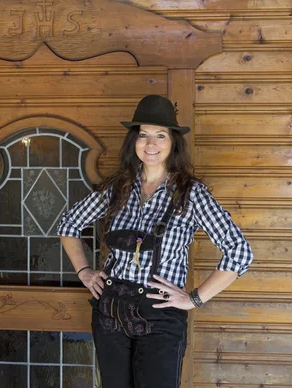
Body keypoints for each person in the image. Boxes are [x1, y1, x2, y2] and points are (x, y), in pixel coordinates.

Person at [57, 95, 253, 388]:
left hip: (160, 316)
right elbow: (68, 224)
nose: (151, 144)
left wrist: (194, 298)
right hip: (110, 312)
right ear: (133, 142)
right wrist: (84, 272)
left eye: (160, 135)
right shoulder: (117, 188)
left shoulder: (191, 194)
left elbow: (239, 252)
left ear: (173, 142)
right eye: (143, 135)